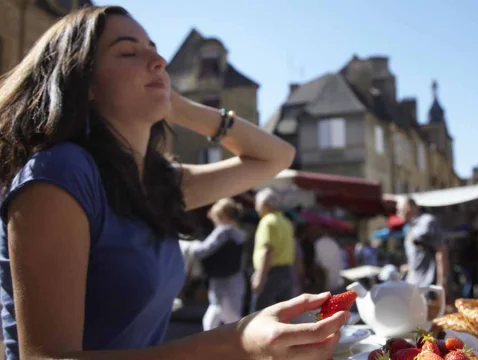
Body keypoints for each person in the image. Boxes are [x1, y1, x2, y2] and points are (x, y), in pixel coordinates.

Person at [0, 6, 347, 360]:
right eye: (128, 51)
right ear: (83, 82)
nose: (158, 59)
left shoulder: (158, 180)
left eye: (154, 48)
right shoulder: (58, 173)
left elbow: (276, 156)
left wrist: (177, 105)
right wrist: (237, 341)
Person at [193, 198, 247, 331]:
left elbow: (201, 251)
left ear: (222, 216)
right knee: (227, 318)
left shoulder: (223, 231)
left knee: (221, 318)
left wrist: (190, 246)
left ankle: (235, 347)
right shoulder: (241, 233)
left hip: (221, 281)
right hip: (236, 279)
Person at [251, 188, 295, 311]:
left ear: (265, 204)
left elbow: (268, 250)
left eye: (257, 204)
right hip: (286, 273)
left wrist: (260, 276)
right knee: (284, 315)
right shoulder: (286, 222)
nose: (256, 208)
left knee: (258, 315)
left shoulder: (267, 221)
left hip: (271, 273)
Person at [396, 197, 448, 289]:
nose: (398, 213)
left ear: (409, 207)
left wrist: (442, 281)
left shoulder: (427, 222)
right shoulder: (409, 227)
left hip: (428, 283)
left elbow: (441, 251)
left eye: (400, 210)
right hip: (413, 283)